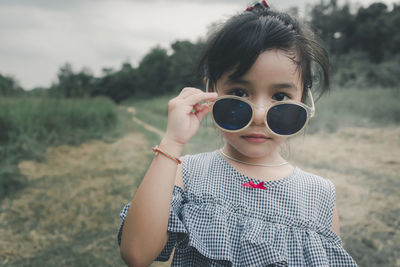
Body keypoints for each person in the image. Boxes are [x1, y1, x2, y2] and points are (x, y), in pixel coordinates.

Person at [118, 1, 358, 266]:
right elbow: (137, 254)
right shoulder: (185, 173)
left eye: (280, 96)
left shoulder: (320, 195)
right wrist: (172, 143)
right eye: (239, 93)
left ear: (303, 99)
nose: (258, 114)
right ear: (211, 90)